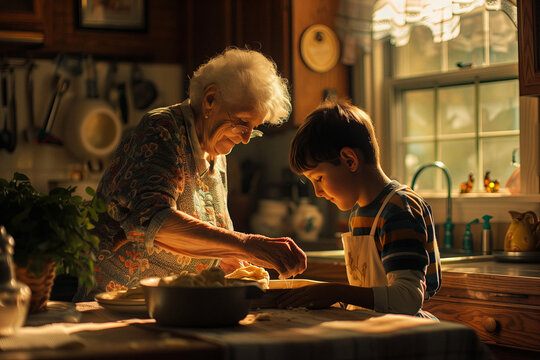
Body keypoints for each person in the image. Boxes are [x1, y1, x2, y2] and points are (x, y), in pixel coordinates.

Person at [74, 48, 307, 300]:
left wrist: (225, 258)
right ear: (210, 100)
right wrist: (246, 245)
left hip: (173, 304)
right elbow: (153, 220)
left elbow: (205, 232)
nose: (246, 139)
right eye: (241, 123)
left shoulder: (217, 152)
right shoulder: (163, 129)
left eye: (254, 128)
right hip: (120, 302)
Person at [280, 100, 441, 318]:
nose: (317, 192)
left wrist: (336, 292)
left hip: (405, 331)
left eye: (318, 178)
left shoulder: (398, 210)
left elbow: (407, 299)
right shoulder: (358, 214)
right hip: (373, 326)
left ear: (350, 160)